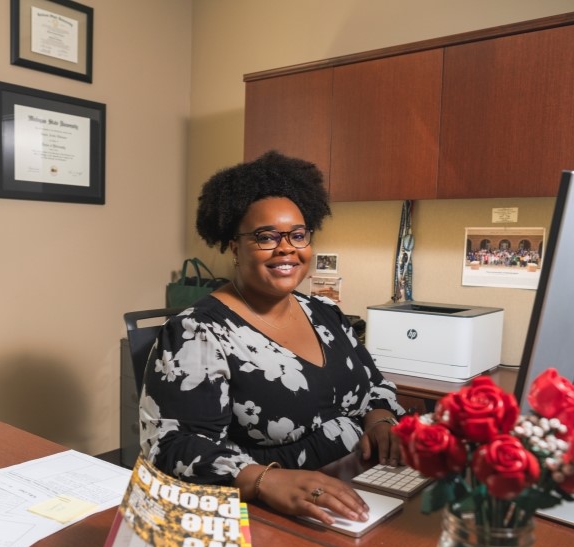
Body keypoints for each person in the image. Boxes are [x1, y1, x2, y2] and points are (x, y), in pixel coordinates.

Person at [140, 151, 405, 526]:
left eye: (298, 235)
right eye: (266, 237)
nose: (286, 248)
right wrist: (265, 481)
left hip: (363, 484)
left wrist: (380, 420)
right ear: (234, 247)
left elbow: (375, 383)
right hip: (271, 513)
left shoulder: (323, 313)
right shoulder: (197, 332)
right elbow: (170, 445)